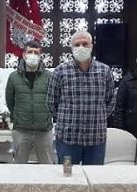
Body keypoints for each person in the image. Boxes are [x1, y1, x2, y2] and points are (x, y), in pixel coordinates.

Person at [46, 30, 116, 165]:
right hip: (68, 139)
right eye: (77, 45)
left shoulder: (104, 71)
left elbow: (111, 101)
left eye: (85, 44)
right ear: (72, 48)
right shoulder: (60, 71)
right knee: (67, 175)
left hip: (95, 139)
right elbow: (51, 102)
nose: (81, 47)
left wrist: (98, 116)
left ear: (91, 46)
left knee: (94, 176)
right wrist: (66, 119)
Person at [5, 39, 53, 164]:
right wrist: (18, 116)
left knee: (48, 167)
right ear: (24, 55)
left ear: (40, 55)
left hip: (44, 130)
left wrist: (47, 117)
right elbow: (10, 101)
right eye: (30, 52)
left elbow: (54, 100)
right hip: (21, 130)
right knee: (19, 167)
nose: (33, 55)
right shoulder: (13, 77)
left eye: (36, 52)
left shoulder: (49, 76)